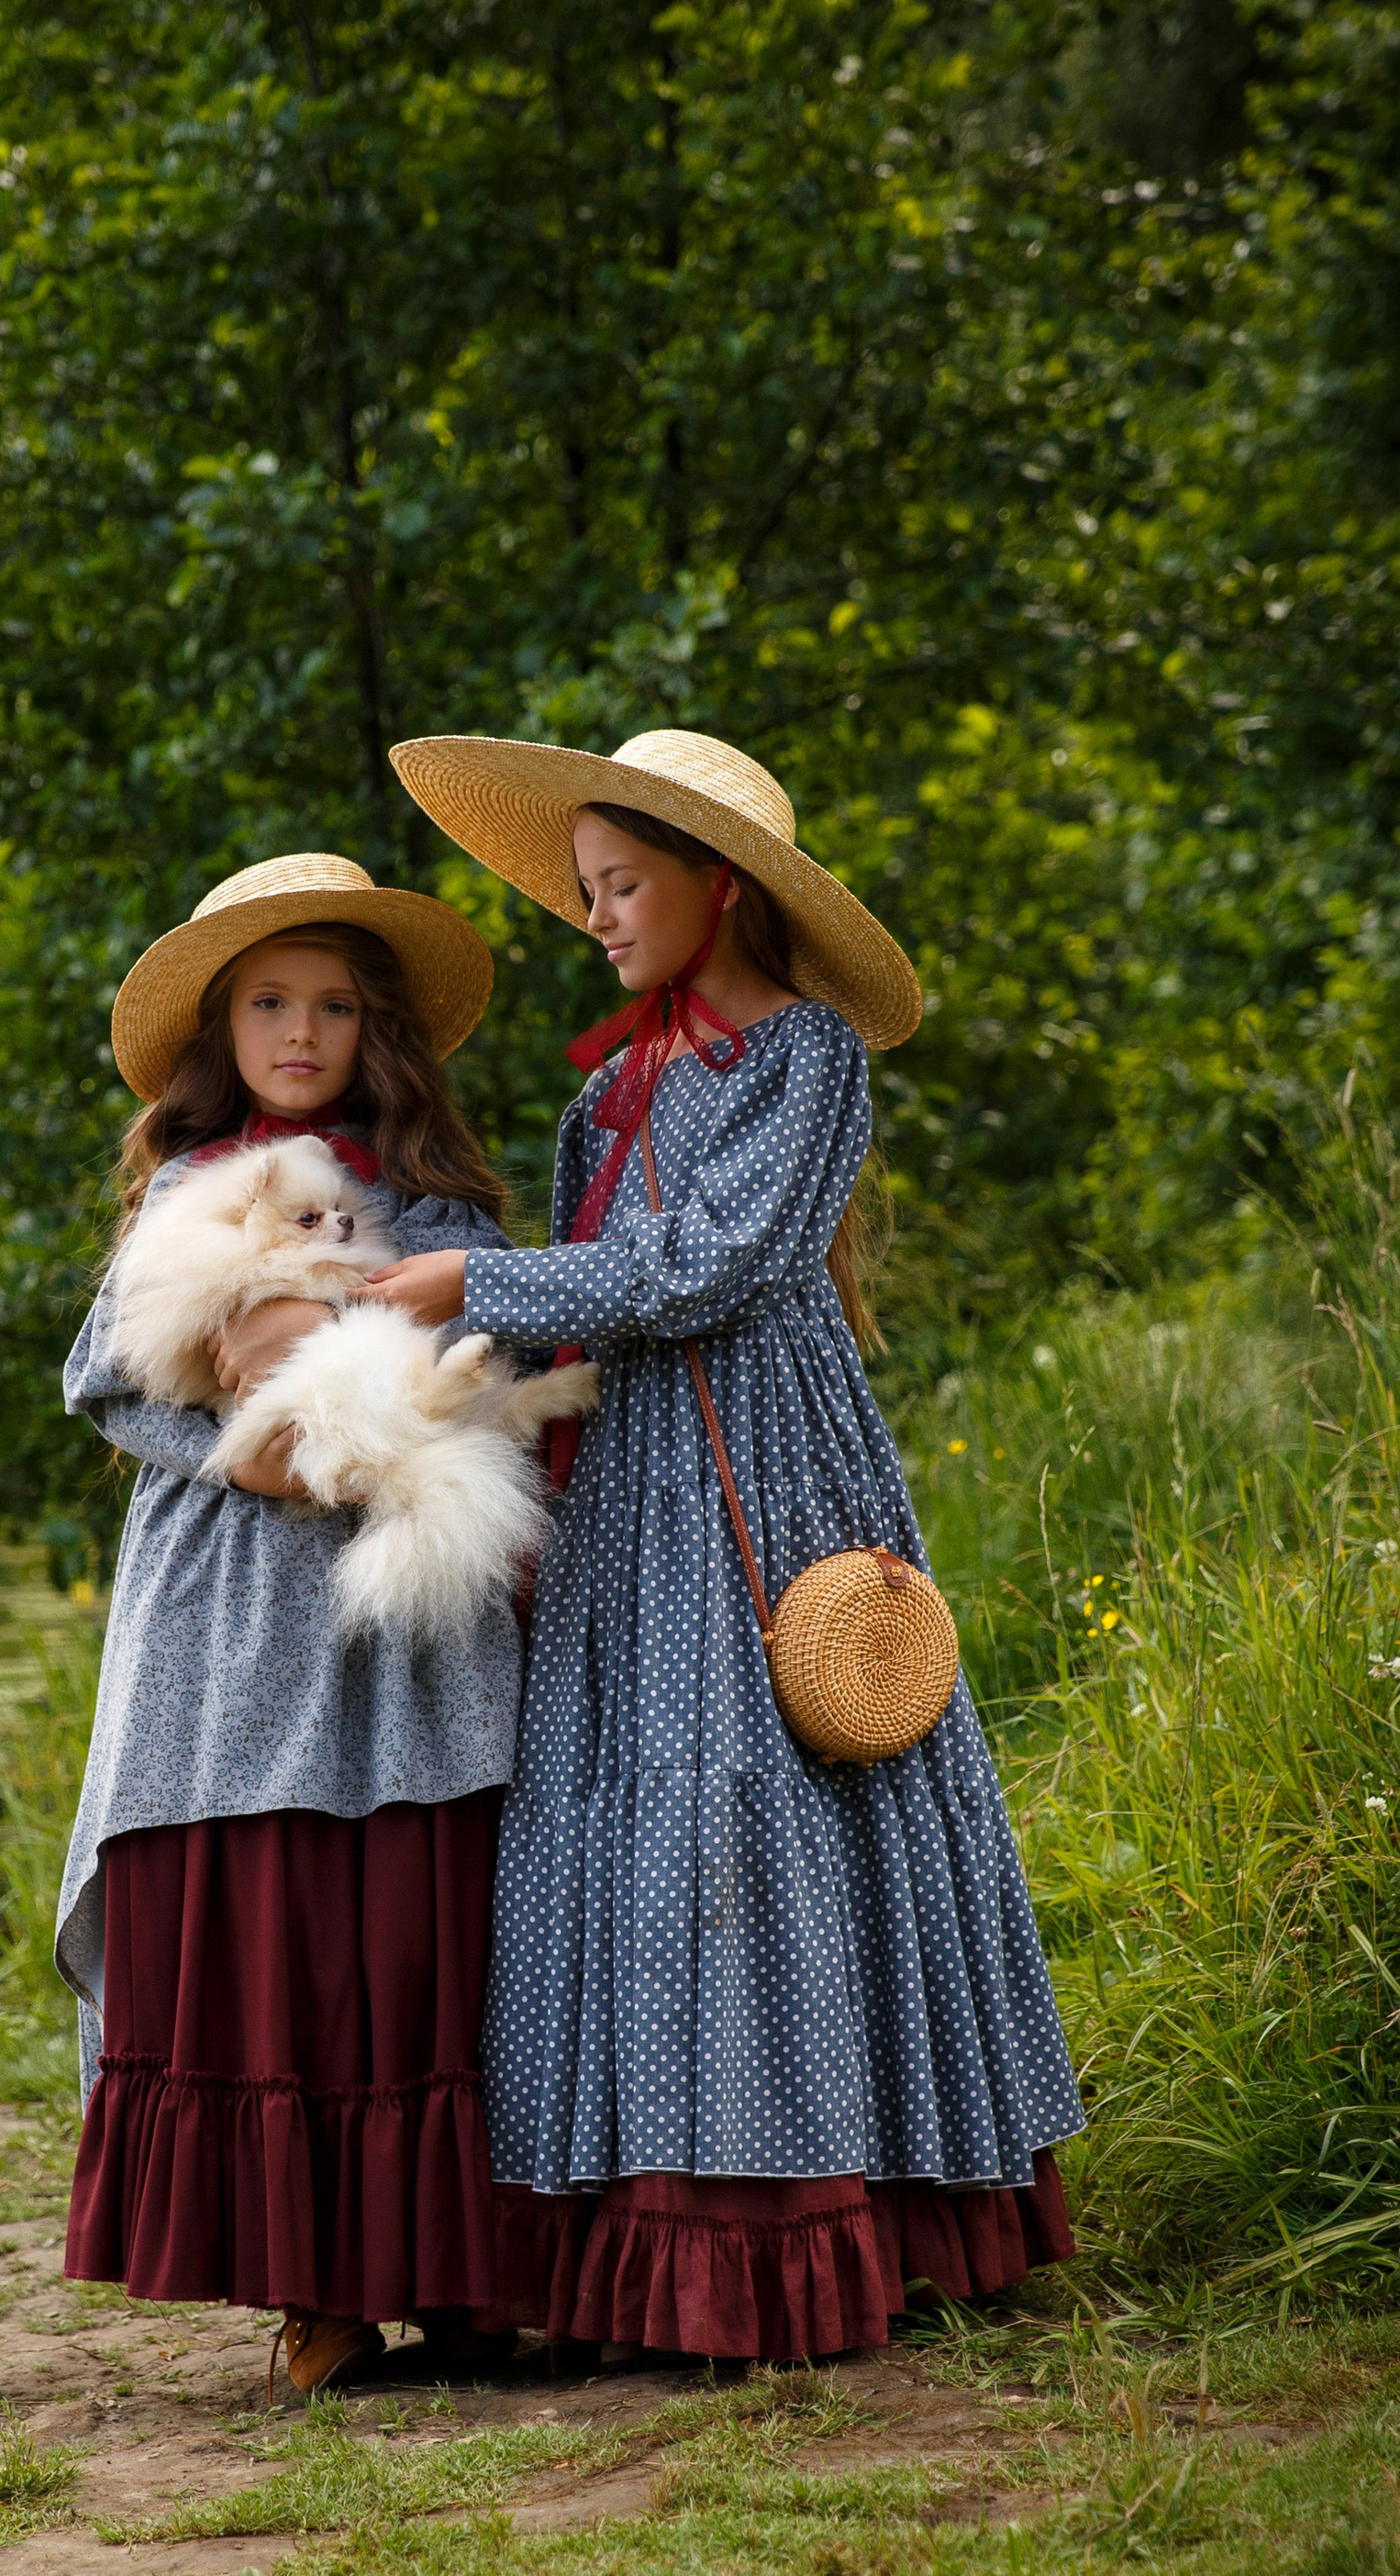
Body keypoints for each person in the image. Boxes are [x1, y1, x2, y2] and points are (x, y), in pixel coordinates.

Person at [361, 730, 1083, 2362]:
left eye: (624, 888)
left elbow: (712, 1263)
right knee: (630, 1798)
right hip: (631, 1483)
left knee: (789, 1769)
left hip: (768, 1452)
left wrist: (477, 1284)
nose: (598, 918)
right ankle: (636, 2228)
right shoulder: (611, 1084)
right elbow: (597, 1297)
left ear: (719, 885)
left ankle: (832, 2209)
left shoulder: (807, 1054)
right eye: (587, 891)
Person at [56, 853, 525, 2396]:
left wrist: (396, 1442)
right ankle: (313, 2286)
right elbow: (104, 1382)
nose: (301, 1029)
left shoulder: (435, 1203)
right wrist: (254, 1456)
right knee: (278, 1909)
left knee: (407, 1913)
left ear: (372, 1026)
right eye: (269, 1001)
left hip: (403, 1594)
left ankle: (456, 2272)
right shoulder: (190, 1193)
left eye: (331, 1004)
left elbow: (487, 1373)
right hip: (232, 1598)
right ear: (223, 1026)